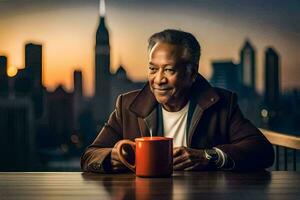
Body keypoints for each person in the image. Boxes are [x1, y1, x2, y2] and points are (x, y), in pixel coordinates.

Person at [81, 29, 274, 172]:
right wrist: (111, 157)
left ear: (192, 73)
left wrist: (207, 156)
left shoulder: (221, 102)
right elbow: (90, 155)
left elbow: (263, 151)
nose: (158, 79)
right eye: (153, 69)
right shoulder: (127, 105)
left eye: (169, 70)